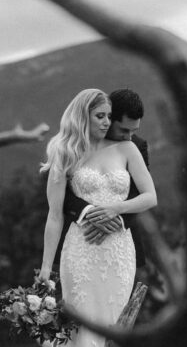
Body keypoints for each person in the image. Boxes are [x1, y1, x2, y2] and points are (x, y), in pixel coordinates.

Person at [38, 88, 156, 347]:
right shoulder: (66, 151)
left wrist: (115, 210)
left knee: (115, 328)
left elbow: (149, 196)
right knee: (78, 325)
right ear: (85, 116)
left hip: (119, 252)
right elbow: (55, 213)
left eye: (107, 117)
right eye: (101, 117)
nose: (106, 123)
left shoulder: (130, 148)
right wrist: (45, 269)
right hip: (81, 250)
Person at [61, 88, 149, 266]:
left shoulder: (135, 146)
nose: (129, 137)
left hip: (121, 243)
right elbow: (58, 190)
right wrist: (90, 213)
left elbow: (139, 192)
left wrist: (115, 218)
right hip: (81, 237)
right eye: (124, 130)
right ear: (109, 117)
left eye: (134, 130)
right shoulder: (74, 143)